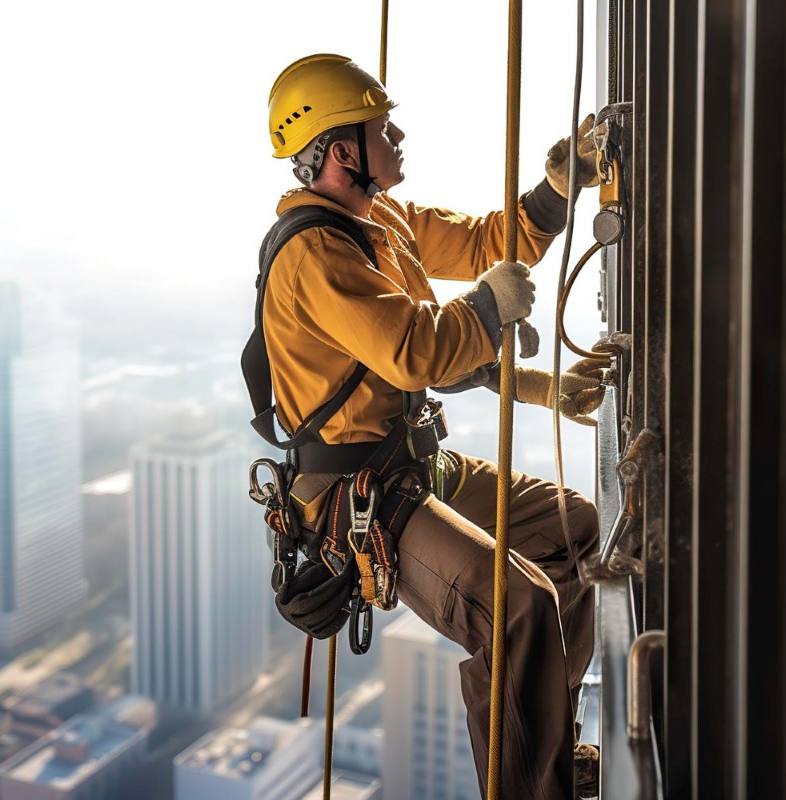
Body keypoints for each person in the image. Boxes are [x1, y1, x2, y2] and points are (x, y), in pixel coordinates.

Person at [256, 54, 605, 798]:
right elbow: (417, 350)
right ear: (342, 150)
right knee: (520, 608)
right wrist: (484, 309)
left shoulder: (380, 222)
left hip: (414, 468)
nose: (399, 134)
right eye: (383, 126)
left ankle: (544, 752)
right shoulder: (313, 255)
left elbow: (488, 245)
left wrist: (558, 184)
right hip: (360, 499)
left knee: (574, 530)